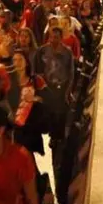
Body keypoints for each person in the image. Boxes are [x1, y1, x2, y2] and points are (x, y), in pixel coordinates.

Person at [34, 27, 75, 170]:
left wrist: (68, 90)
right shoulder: (42, 51)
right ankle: (52, 135)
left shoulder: (67, 52)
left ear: (61, 37)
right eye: (52, 37)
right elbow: (37, 70)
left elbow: (71, 72)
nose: (54, 40)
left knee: (61, 113)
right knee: (50, 112)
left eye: (57, 37)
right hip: (47, 86)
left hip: (61, 87)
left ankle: (59, 137)